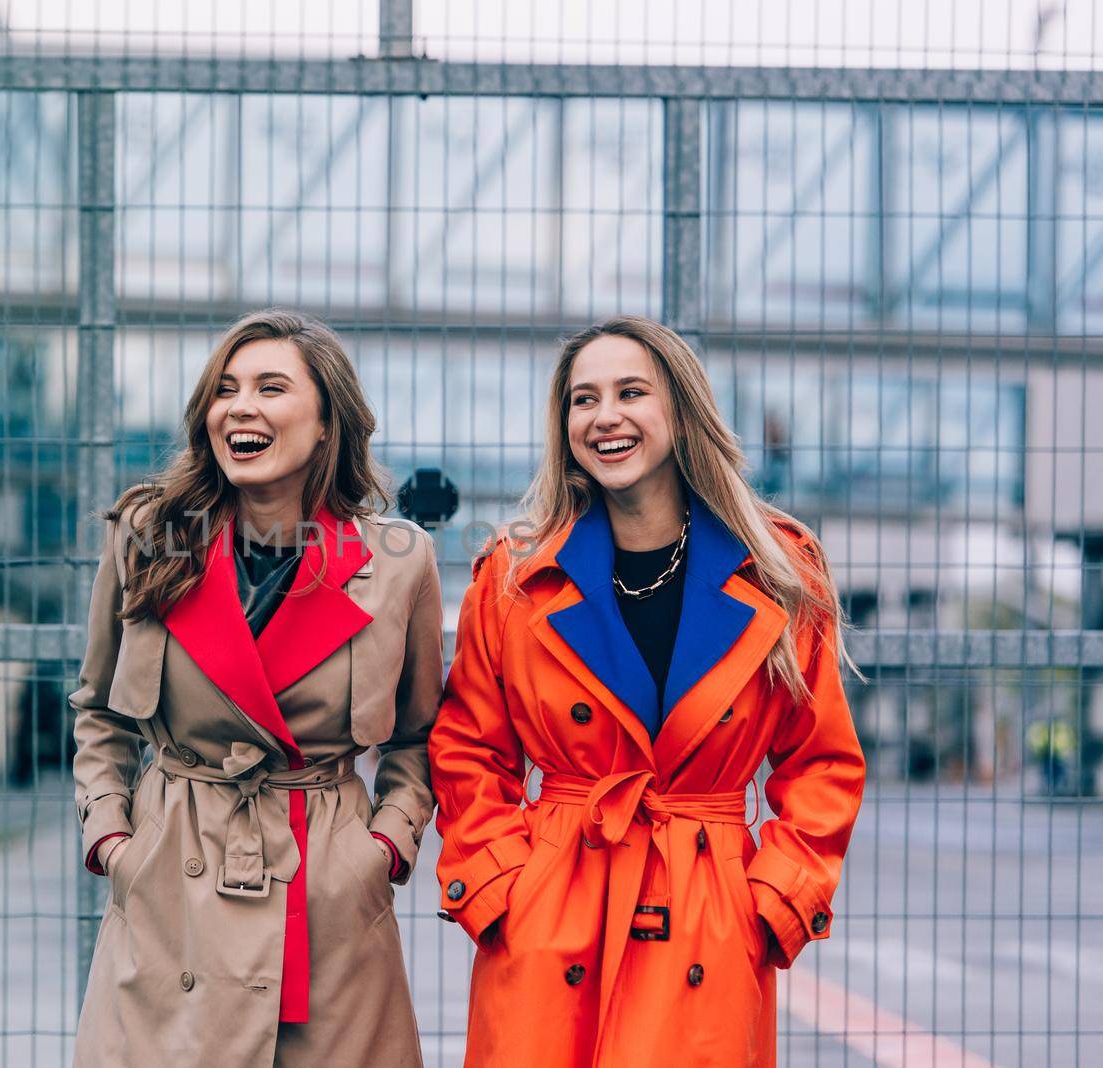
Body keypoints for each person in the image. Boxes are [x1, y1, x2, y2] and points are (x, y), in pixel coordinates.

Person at [430, 316, 866, 1066]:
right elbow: (468, 747)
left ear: (680, 408)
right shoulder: (513, 578)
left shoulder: (779, 574)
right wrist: (502, 886)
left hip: (709, 915)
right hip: (554, 908)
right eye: (583, 399)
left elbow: (822, 764)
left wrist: (769, 905)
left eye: (631, 392)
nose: (605, 417)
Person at [71, 308, 442, 1066]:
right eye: (225, 390)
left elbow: (420, 734)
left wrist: (384, 850)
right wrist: (113, 838)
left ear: (326, 422)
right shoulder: (147, 536)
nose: (239, 407)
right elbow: (99, 711)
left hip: (328, 895)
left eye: (271, 388)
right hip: (173, 879)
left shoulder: (399, 563)